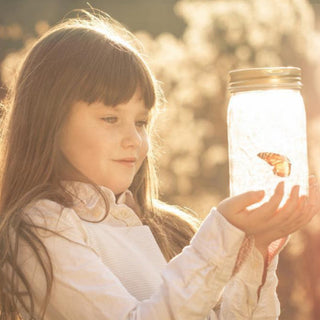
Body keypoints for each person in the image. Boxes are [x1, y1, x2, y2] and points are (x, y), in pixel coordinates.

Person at [0, 9, 318, 320]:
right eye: (111, 118)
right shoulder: (39, 227)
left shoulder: (169, 231)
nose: (135, 141)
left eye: (141, 122)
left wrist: (257, 250)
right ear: (49, 123)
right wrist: (222, 230)